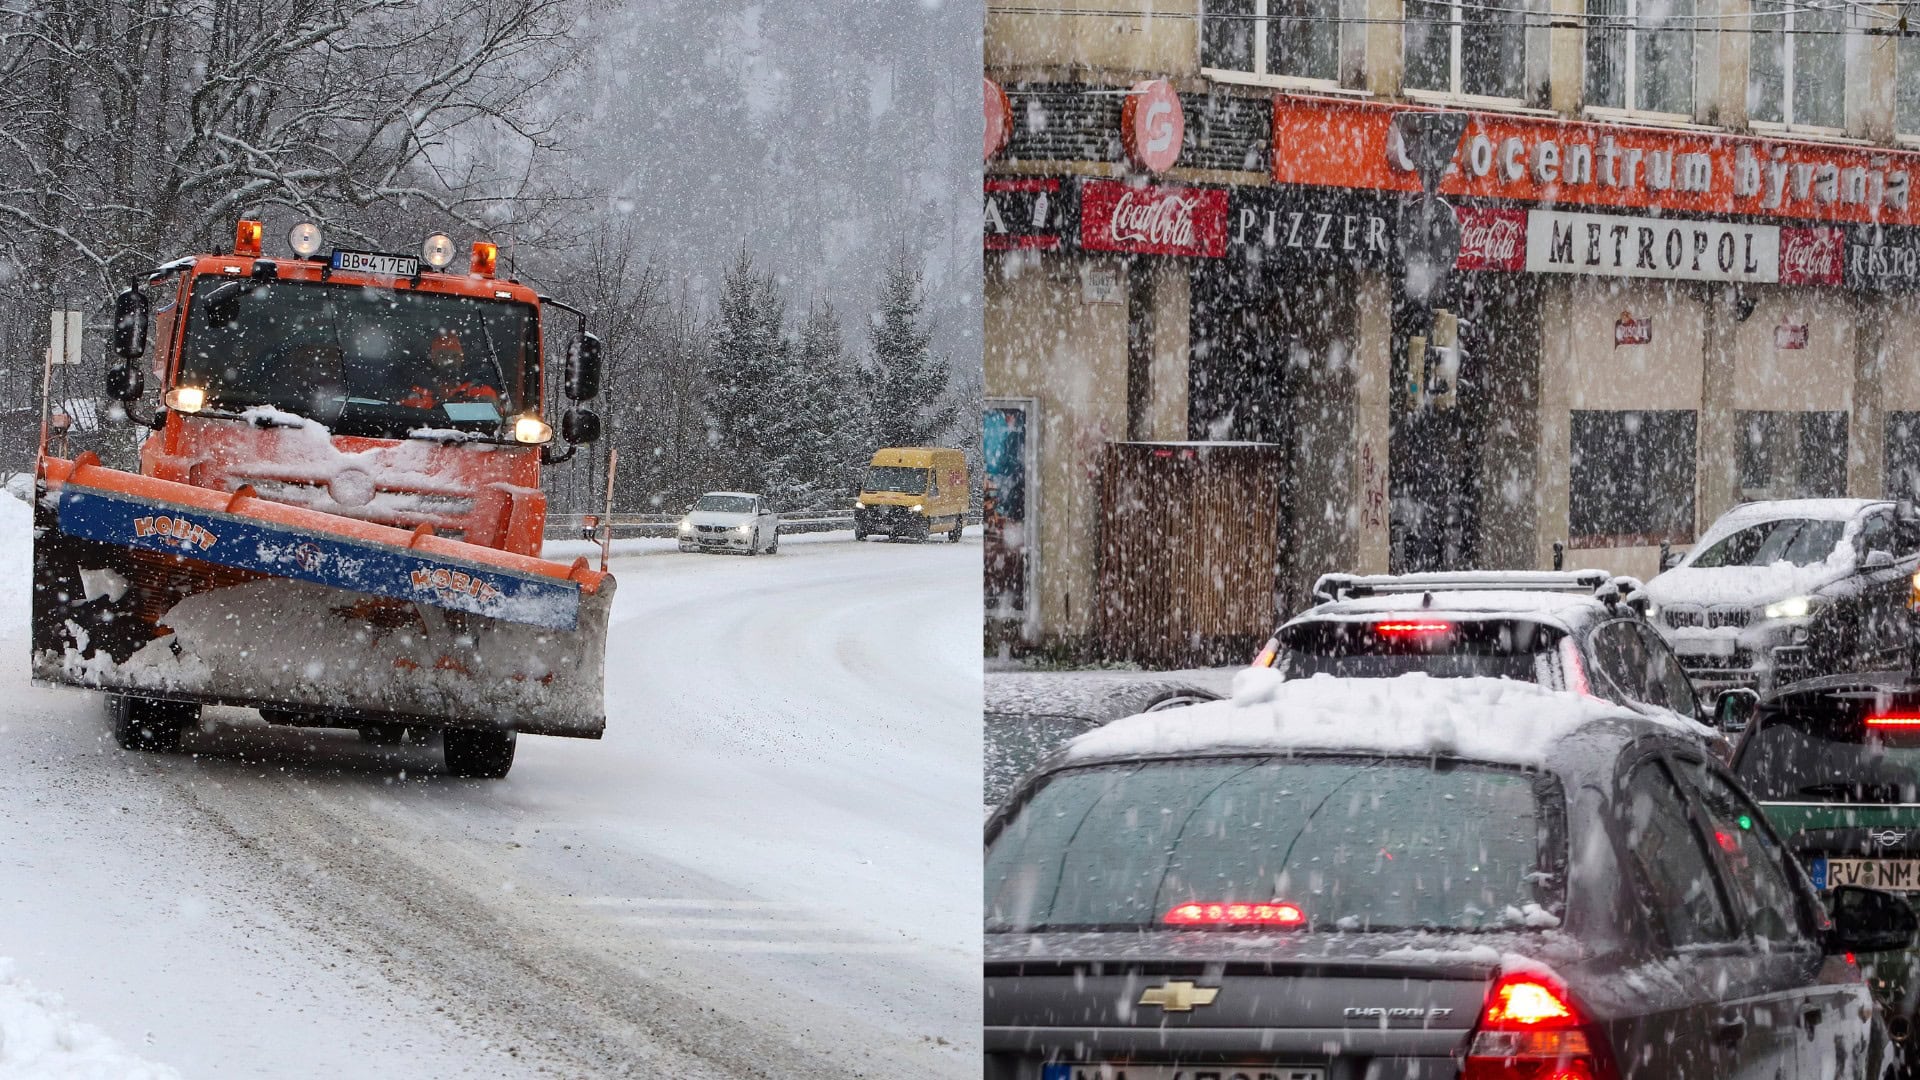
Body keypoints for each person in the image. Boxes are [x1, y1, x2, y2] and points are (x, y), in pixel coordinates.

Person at [400, 331, 500, 409]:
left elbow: (495, 419)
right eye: (443, 355)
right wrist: (438, 407)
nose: (450, 360)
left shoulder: (480, 390)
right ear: (433, 358)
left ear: (462, 359)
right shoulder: (415, 390)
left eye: (455, 356)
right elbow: (407, 418)